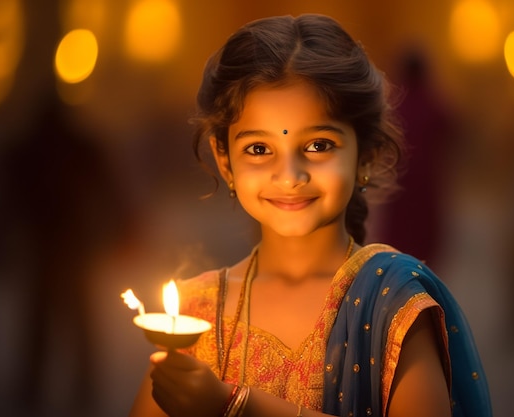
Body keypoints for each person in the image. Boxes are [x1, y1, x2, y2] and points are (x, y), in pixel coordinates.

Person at [129, 13, 492, 417]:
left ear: (365, 154)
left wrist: (236, 406)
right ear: (224, 159)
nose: (289, 176)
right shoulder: (194, 316)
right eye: (258, 149)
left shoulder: (392, 306)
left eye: (318, 145)